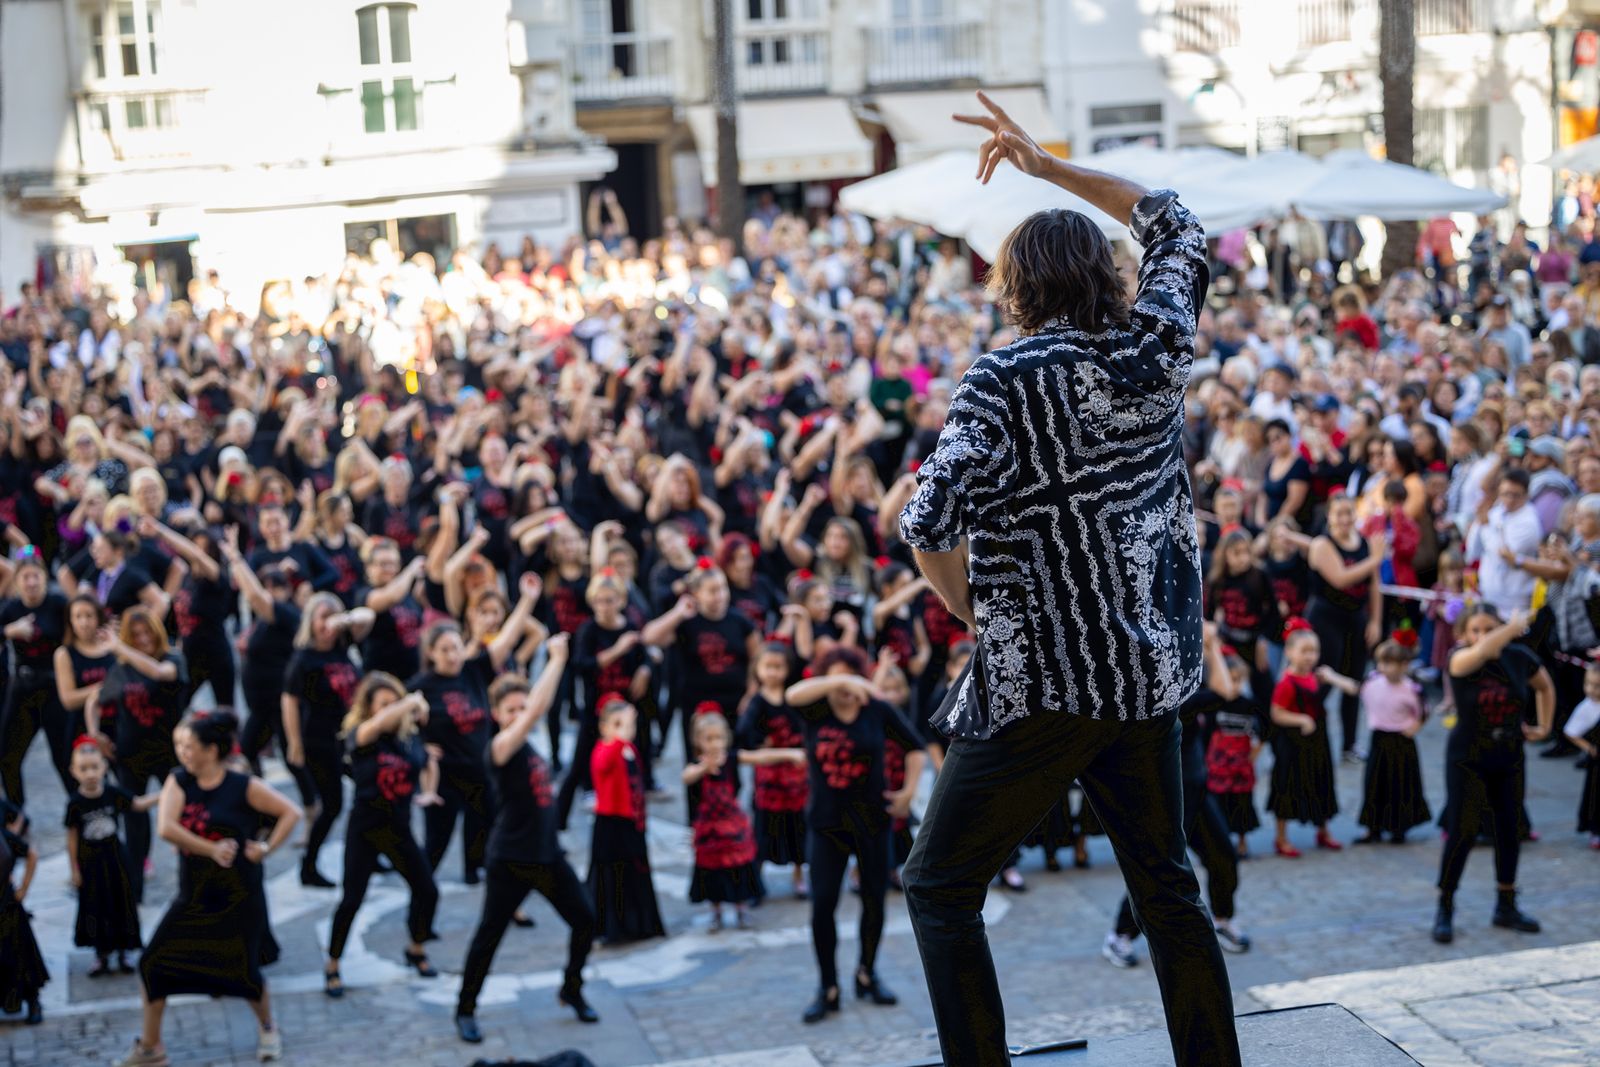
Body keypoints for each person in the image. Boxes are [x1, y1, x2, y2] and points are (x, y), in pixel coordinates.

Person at [895, 92, 1241, 1066]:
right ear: (1101, 274)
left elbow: (927, 522)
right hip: (1145, 673)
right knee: (1167, 884)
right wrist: (1048, 167)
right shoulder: (1157, 347)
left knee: (938, 885)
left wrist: (972, 610)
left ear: (1016, 288)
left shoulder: (1001, 381)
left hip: (1036, 680)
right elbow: (1168, 215)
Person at [120, 709, 301, 1067]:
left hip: (239, 894)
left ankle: (268, 1029)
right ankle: (151, 1048)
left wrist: (265, 848)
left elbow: (290, 812)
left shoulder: (241, 785)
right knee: (153, 963)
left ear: (212, 750)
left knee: (245, 970)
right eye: (180, 745)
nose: (182, 753)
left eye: (189, 746)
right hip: (194, 894)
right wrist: (211, 849)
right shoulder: (178, 781)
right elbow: (167, 828)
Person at [455, 654, 601, 1043]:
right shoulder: (499, 747)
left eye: (522, 706)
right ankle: (465, 1010)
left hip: (548, 856)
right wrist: (557, 659)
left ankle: (571, 988)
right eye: (512, 709)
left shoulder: (531, 749)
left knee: (586, 920)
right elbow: (539, 707)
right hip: (511, 861)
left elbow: (539, 708)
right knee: (489, 938)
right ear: (498, 715)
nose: (520, 714)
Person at [785, 646, 926, 1024]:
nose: (845, 687)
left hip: (872, 823)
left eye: (852, 676)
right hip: (826, 825)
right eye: (836, 678)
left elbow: (914, 747)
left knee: (874, 902)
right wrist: (839, 679)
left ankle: (867, 972)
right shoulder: (814, 710)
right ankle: (827, 986)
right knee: (822, 906)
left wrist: (908, 792)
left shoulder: (876, 710)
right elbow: (791, 694)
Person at [1104, 624, 1251, 968]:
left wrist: (1208, 645)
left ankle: (1223, 920)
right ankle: (1120, 935)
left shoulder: (1186, 682)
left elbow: (1224, 688)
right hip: (1169, 797)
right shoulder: (1168, 697)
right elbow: (1223, 692)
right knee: (1160, 869)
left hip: (1198, 793)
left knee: (1223, 857)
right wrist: (1211, 644)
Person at [1432, 607, 1554, 944]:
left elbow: (1544, 686)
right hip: (1467, 758)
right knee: (1463, 830)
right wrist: (1510, 628)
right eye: (1475, 629)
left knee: (1509, 829)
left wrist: (1544, 726)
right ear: (1463, 634)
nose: (1482, 635)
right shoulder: (1460, 659)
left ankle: (1506, 904)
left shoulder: (1518, 656)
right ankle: (1445, 905)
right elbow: (1484, 650)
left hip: (1509, 754)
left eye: (1490, 627)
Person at [413, 574, 542, 884]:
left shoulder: (473, 671)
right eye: (444, 650)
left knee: (482, 827)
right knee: (435, 845)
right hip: (445, 778)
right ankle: (421, 901)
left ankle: (473, 870)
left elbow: (507, 640)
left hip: (478, 771)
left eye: (456, 648)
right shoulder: (420, 688)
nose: (452, 655)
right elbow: (398, 723)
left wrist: (527, 599)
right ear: (431, 653)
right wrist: (418, 748)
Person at [323, 672, 442, 998]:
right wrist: (407, 702)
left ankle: (415, 948)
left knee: (427, 890)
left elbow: (428, 761)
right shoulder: (362, 735)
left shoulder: (409, 737)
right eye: (384, 705)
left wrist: (429, 791)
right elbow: (374, 726)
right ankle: (333, 964)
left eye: (395, 702)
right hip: (365, 828)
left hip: (399, 828)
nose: (393, 710)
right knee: (351, 900)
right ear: (371, 708)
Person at [85, 606, 189, 904]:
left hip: (170, 754)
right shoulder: (123, 667)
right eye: (136, 635)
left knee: (184, 822)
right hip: (130, 756)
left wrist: (118, 647)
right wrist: (96, 735)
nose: (143, 639)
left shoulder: (173, 659)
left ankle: (189, 889)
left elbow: (159, 673)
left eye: (147, 633)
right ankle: (134, 895)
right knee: (134, 827)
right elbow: (95, 699)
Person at [280, 592, 374, 887]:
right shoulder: (304, 657)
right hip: (318, 741)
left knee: (371, 792)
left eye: (332, 617)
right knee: (332, 805)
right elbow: (289, 701)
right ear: (311, 621)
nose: (328, 624)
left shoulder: (343, 647)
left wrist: (340, 620)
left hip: (349, 737)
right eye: (322, 617)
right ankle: (309, 865)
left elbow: (367, 616)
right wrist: (294, 743)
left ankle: (373, 851)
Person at [683, 707, 804, 929]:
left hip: (732, 827)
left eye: (718, 738)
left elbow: (760, 756)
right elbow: (687, 776)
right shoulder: (697, 765)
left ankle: (740, 909)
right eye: (708, 739)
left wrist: (788, 753)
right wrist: (703, 767)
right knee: (711, 871)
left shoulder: (730, 758)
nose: (714, 743)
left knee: (738, 868)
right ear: (698, 741)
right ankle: (716, 911)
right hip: (710, 831)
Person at [64, 737, 157, 977]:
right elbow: (72, 837)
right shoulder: (75, 803)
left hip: (115, 859)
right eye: (84, 769)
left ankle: (125, 951)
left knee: (121, 903)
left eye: (95, 767)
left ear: (104, 767)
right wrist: (74, 869)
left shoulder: (113, 793)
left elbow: (137, 804)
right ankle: (101, 954)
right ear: (74, 772)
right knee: (96, 906)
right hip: (90, 864)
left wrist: (165, 793)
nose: (90, 773)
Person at [1306, 492, 1385, 760]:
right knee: (1324, 679)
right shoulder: (1321, 544)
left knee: (1354, 680)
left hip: (1355, 618)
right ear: (1329, 516)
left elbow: (1374, 584)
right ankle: (1306, 732)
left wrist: (1375, 620)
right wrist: (1375, 559)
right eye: (1338, 513)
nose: (1344, 519)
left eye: (1348, 513)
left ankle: (1349, 744)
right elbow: (1340, 578)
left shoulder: (1362, 543)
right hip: (1326, 618)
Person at [587, 694, 665, 945]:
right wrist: (619, 737)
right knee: (613, 878)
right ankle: (613, 928)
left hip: (631, 822)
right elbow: (602, 766)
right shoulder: (604, 750)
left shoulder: (629, 749)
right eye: (617, 725)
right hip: (611, 824)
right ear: (604, 728)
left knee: (635, 874)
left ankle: (639, 924)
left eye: (627, 725)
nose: (624, 731)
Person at [737, 640, 812, 898]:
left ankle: (800, 875)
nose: (773, 672)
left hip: (798, 778)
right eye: (767, 666)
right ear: (757, 669)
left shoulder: (795, 697)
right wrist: (765, 745)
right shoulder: (756, 703)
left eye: (778, 667)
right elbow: (744, 736)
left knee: (799, 828)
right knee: (763, 830)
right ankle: (756, 882)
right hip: (769, 778)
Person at [1342, 632, 1432, 844]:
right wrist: (1330, 676)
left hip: (1401, 741)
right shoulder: (1373, 681)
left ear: (1404, 665)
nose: (1385, 668)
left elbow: (1424, 710)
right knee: (1374, 784)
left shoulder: (1412, 688)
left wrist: (1415, 727)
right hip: (1379, 739)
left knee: (1400, 785)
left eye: (1391, 664)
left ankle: (1398, 827)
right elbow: (1355, 688)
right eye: (1382, 663)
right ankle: (1373, 827)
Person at [0, 546, 70, 802]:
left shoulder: (58, 604)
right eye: (25, 578)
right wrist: (9, 631)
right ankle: (17, 817)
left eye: (35, 576)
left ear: (44, 577)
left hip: (54, 688)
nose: (31, 583)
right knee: (7, 756)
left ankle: (81, 815)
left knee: (63, 758)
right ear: (17, 581)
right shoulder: (10, 609)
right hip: (23, 688)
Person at [1267, 622, 1343, 856]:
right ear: (1289, 652)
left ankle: (1323, 829)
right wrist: (1301, 720)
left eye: (1314, 651)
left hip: (1316, 742)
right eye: (1305, 651)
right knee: (1288, 787)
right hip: (1293, 744)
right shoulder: (1286, 683)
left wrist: (1334, 678)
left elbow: (1352, 688)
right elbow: (1276, 713)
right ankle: (1281, 837)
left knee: (1321, 782)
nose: (1310, 657)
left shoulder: (1316, 677)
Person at [0, 803, 46, 1025]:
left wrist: (23, 889)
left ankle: (33, 1002)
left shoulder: (4, 837)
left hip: (8, 906)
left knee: (20, 953)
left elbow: (31, 854)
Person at [1563, 665, 1600, 848]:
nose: (1592, 690)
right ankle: (1595, 831)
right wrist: (1589, 748)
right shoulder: (1586, 707)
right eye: (1588, 684)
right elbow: (1570, 732)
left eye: (1597, 686)